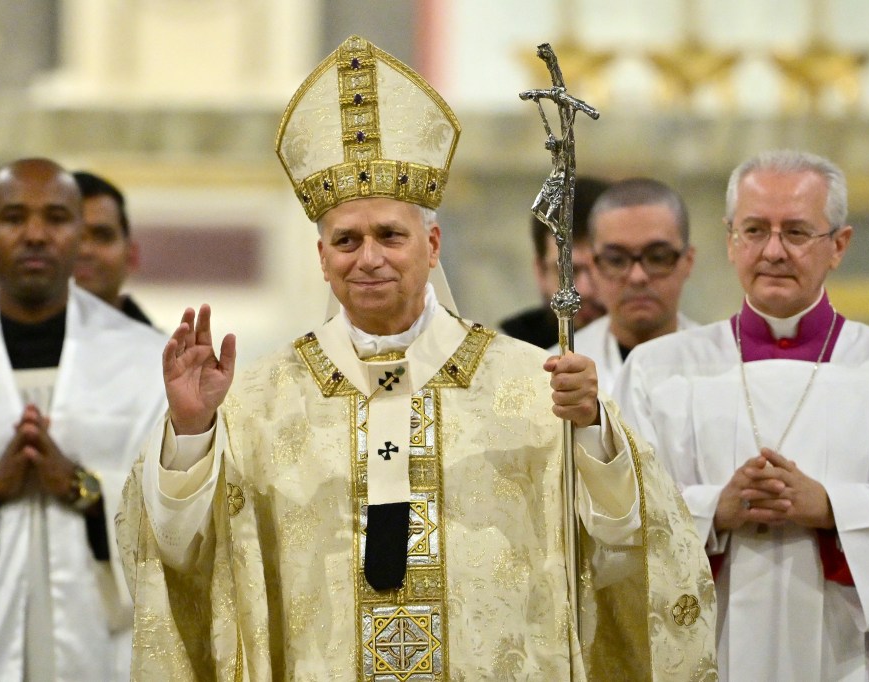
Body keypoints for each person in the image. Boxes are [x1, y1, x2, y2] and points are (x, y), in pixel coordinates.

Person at [116, 35, 715, 680]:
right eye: (345, 239)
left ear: (431, 245)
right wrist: (191, 433)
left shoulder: (531, 384)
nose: (367, 257)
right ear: (322, 259)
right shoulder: (258, 403)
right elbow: (178, 553)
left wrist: (594, 431)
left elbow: (626, 547)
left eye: (389, 236)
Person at [613, 149, 869, 680]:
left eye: (797, 232)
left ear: (838, 245)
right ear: (731, 241)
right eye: (754, 230)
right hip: (710, 650)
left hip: (848, 656)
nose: (773, 250)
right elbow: (617, 514)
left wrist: (830, 509)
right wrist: (715, 511)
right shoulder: (658, 371)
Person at [0, 158, 168, 681]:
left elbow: (193, 515)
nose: (36, 234)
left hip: (106, 650)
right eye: (15, 218)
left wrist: (84, 489)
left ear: (79, 232)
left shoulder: (147, 366)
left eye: (57, 219)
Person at [559, 178, 696, 393]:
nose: (637, 276)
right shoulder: (559, 375)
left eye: (658, 257)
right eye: (616, 260)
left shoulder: (729, 368)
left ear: (688, 261)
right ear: (593, 267)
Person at [499, 177, 609, 348]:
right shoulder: (510, 353)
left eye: (601, 267)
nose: (585, 290)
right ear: (540, 272)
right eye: (567, 273)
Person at [72, 170, 153, 325]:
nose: (85, 250)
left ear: (131, 256)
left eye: (103, 236)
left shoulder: (160, 348)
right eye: (72, 237)